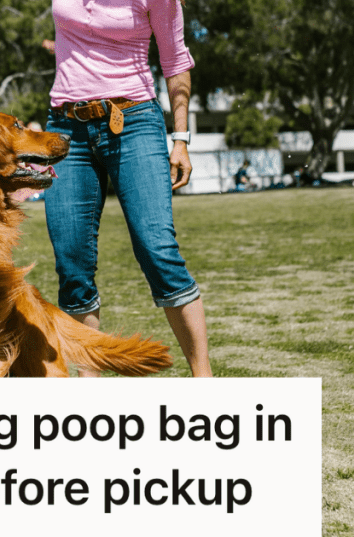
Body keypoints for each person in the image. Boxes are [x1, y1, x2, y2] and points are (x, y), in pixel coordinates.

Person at [43, 0, 212, 377]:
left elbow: (176, 62)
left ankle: (204, 381)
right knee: (71, 261)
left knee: (157, 249)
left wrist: (180, 139)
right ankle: (89, 383)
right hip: (66, 127)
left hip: (133, 121)